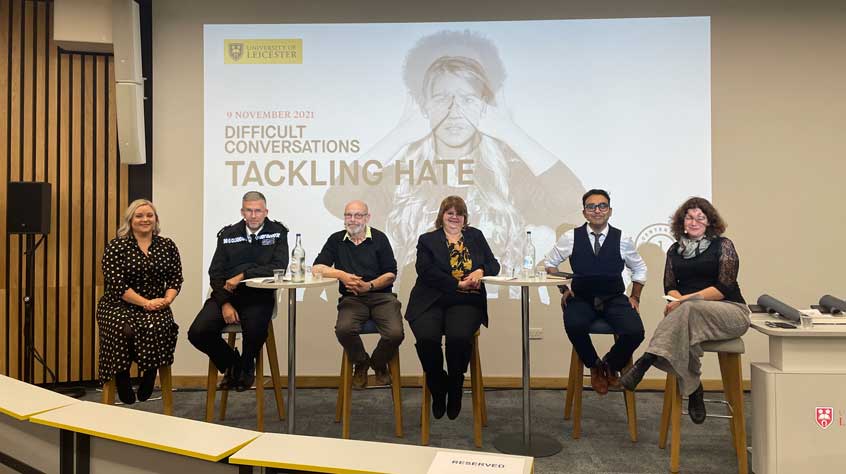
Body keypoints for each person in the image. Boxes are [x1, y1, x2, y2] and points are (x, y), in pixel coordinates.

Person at [324, 30, 584, 289]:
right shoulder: (402, 176)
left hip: (491, 296)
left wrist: (509, 130)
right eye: (442, 99)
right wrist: (400, 134)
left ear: (485, 107)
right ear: (423, 106)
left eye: (467, 99)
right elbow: (337, 199)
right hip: (423, 295)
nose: (455, 111)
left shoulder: (508, 175)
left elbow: (572, 201)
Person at [620, 197, 750, 423]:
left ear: (709, 222)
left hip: (730, 312)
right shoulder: (674, 250)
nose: (694, 222)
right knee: (685, 325)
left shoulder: (724, 245)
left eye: (700, 217)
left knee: (687, 310)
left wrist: (684, 301)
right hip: (690, 317)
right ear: (682, 222)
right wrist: (681, 302)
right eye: (689, 217)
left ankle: (648, 358)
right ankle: (694, 388)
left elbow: (723, 288)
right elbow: (670, 287)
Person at [545, 189, 647, 395]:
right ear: (584, 212)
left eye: (602, 206)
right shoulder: (571, 237)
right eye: (591, 207)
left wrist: (635, 296)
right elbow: (550, 264)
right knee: (573, 324)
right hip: (582, 298)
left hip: (614, 297)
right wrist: (564, 288)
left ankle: (609, 364)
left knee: (635, 331)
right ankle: (593, 365)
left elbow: (639, 268)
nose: (597, 211)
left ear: (610, 211)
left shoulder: (623, 238)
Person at [407, 195, 500, 420]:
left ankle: (456, 384)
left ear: (465, 217)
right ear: (442, 215)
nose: (454, 217)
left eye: (459, 214)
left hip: (466, 300)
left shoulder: (475, 236)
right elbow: (425, 270)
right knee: (427, 338)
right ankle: (438, 385)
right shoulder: (427, 240)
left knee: (458, 338)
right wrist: (456, 283)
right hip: (431, 299)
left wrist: (480, 271)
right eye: (450, 213)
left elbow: (494, 265)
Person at [188, 191, 288, 391]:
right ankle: (234, 365)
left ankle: (246, 365)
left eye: (258, 211)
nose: (253, 215)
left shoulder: (278, 232)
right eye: (249, 210)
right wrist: (225, 303)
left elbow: (278, 267)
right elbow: (215, 273)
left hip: (258, 296)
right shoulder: (228, 235)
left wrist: (243, 275)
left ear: (266, 211)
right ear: (242, 211)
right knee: (198, 332)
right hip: (227, 295)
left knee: (255, 329)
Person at [96, 199, 183, 405]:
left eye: (149, 215)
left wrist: (167, 300)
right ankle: (122, 376)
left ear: (156, 219)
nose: (145, 219)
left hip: (157, 304)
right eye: (139, 216)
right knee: (123, 329)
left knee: (161, 327)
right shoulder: (116, 247)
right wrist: (145, 303)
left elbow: (175, 279)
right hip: (118, 304)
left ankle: (150, 374)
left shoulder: (167, 245)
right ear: (130, 220)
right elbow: (117, 285)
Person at [312, 200, 404, 389]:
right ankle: (361, 363)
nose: (352, 219)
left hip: (381, 297)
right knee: (344, 330)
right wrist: (342, 275)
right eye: (348, 215)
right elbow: (317, 268)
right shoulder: (336, 240)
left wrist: (369, 286)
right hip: (352, 299)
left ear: (367, 218)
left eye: (358, 215)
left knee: (395, 334)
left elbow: (391, 274)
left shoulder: (380, 238)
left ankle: (378, 363)